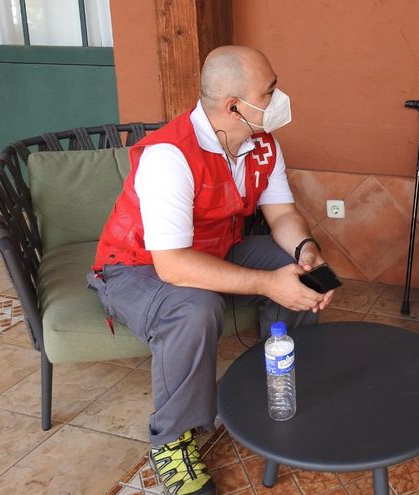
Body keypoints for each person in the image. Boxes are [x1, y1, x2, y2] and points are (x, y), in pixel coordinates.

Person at [87, 45, 334, 495]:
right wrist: (266, 284)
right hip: (135, 267)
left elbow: (281, 215)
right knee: (194, 307)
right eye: (271, 90)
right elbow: (173, 265)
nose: (280, 98)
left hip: (216, 250)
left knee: (295, 269)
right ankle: (172, 443)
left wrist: (305, 249)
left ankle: (285, 381)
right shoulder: (170, 156)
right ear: (235, 106)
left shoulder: (261, 145)